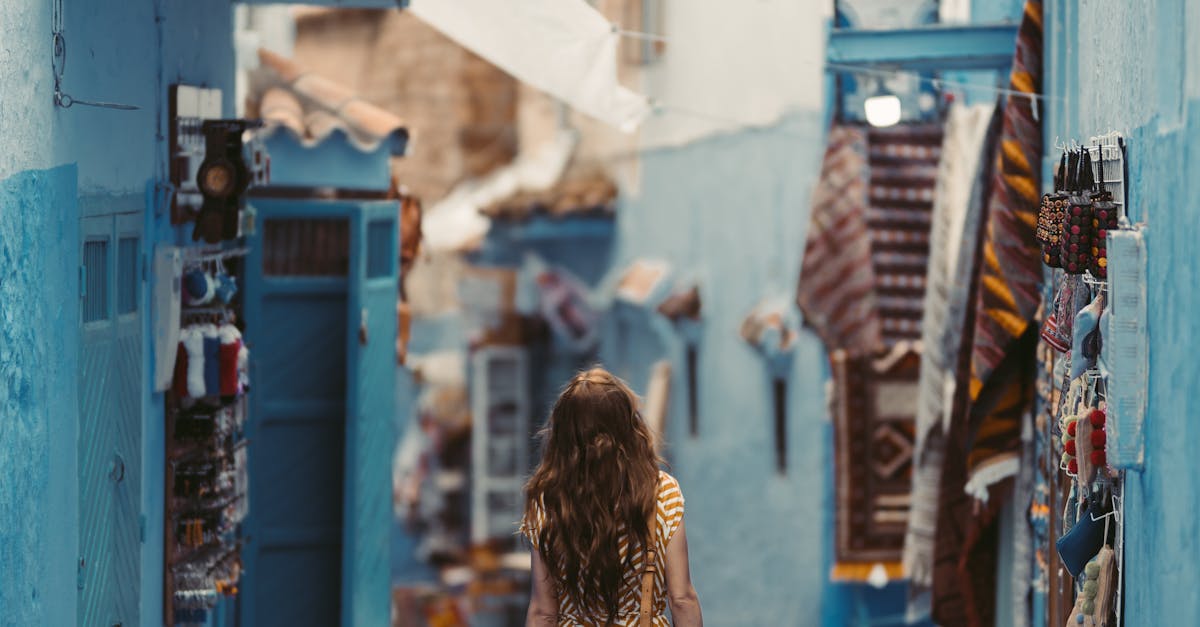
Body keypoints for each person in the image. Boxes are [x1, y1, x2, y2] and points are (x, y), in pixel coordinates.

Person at [521, 368, 703, 626]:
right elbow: (682, 598)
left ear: (562, 435)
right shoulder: (663, 492)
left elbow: (544, 611)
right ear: (628, 426)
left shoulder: (548, 501)